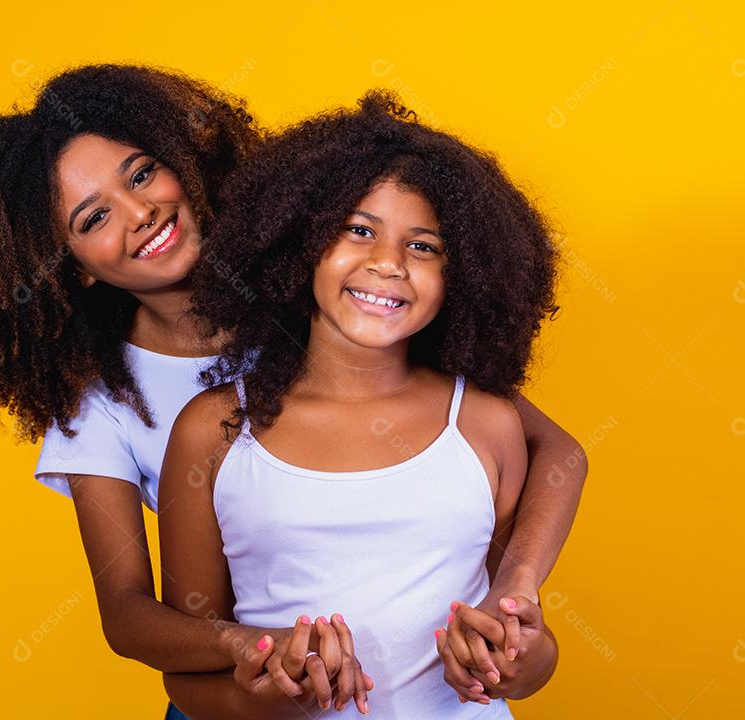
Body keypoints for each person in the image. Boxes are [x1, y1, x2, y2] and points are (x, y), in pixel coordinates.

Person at [160, 90, 569, 718]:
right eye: (358, 230)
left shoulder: (484, 423)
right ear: (298, 244)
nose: (388, 263)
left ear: (463, 276)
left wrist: (512, 656)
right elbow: (185, 677)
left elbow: (528, 654)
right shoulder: (213, 431)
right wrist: (272, 699)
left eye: (424, 246)